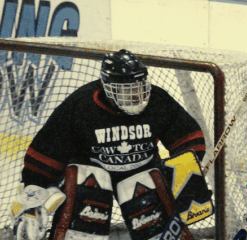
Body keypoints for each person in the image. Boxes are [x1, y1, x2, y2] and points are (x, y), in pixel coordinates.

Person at [10, 49, 207, 239]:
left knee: (148, 181)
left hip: (141, 174)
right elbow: (48, 148)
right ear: (108, 87)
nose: (135, 96)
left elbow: (188, 137)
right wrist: (34, 186)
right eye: (127, 90)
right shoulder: (82, 105)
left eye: (139, 87)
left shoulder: (158, 100)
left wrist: (184, 172)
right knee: (86, 179)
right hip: (93, 177)